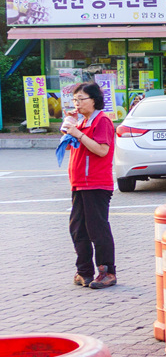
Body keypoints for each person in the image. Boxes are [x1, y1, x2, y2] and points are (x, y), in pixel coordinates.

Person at [64, 82, 117, 289]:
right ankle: (83, 272)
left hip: (96, 184)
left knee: (97, 229)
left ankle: (107, 272)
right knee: (78, 229)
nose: (76, 103)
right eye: (74, 100)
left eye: (81, 99)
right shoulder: (82, 122)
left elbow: (102, 150)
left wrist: (79, 134)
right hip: (79, 184)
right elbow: (69, 146)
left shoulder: (102, 121)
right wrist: (70, 124)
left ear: (94, 100)